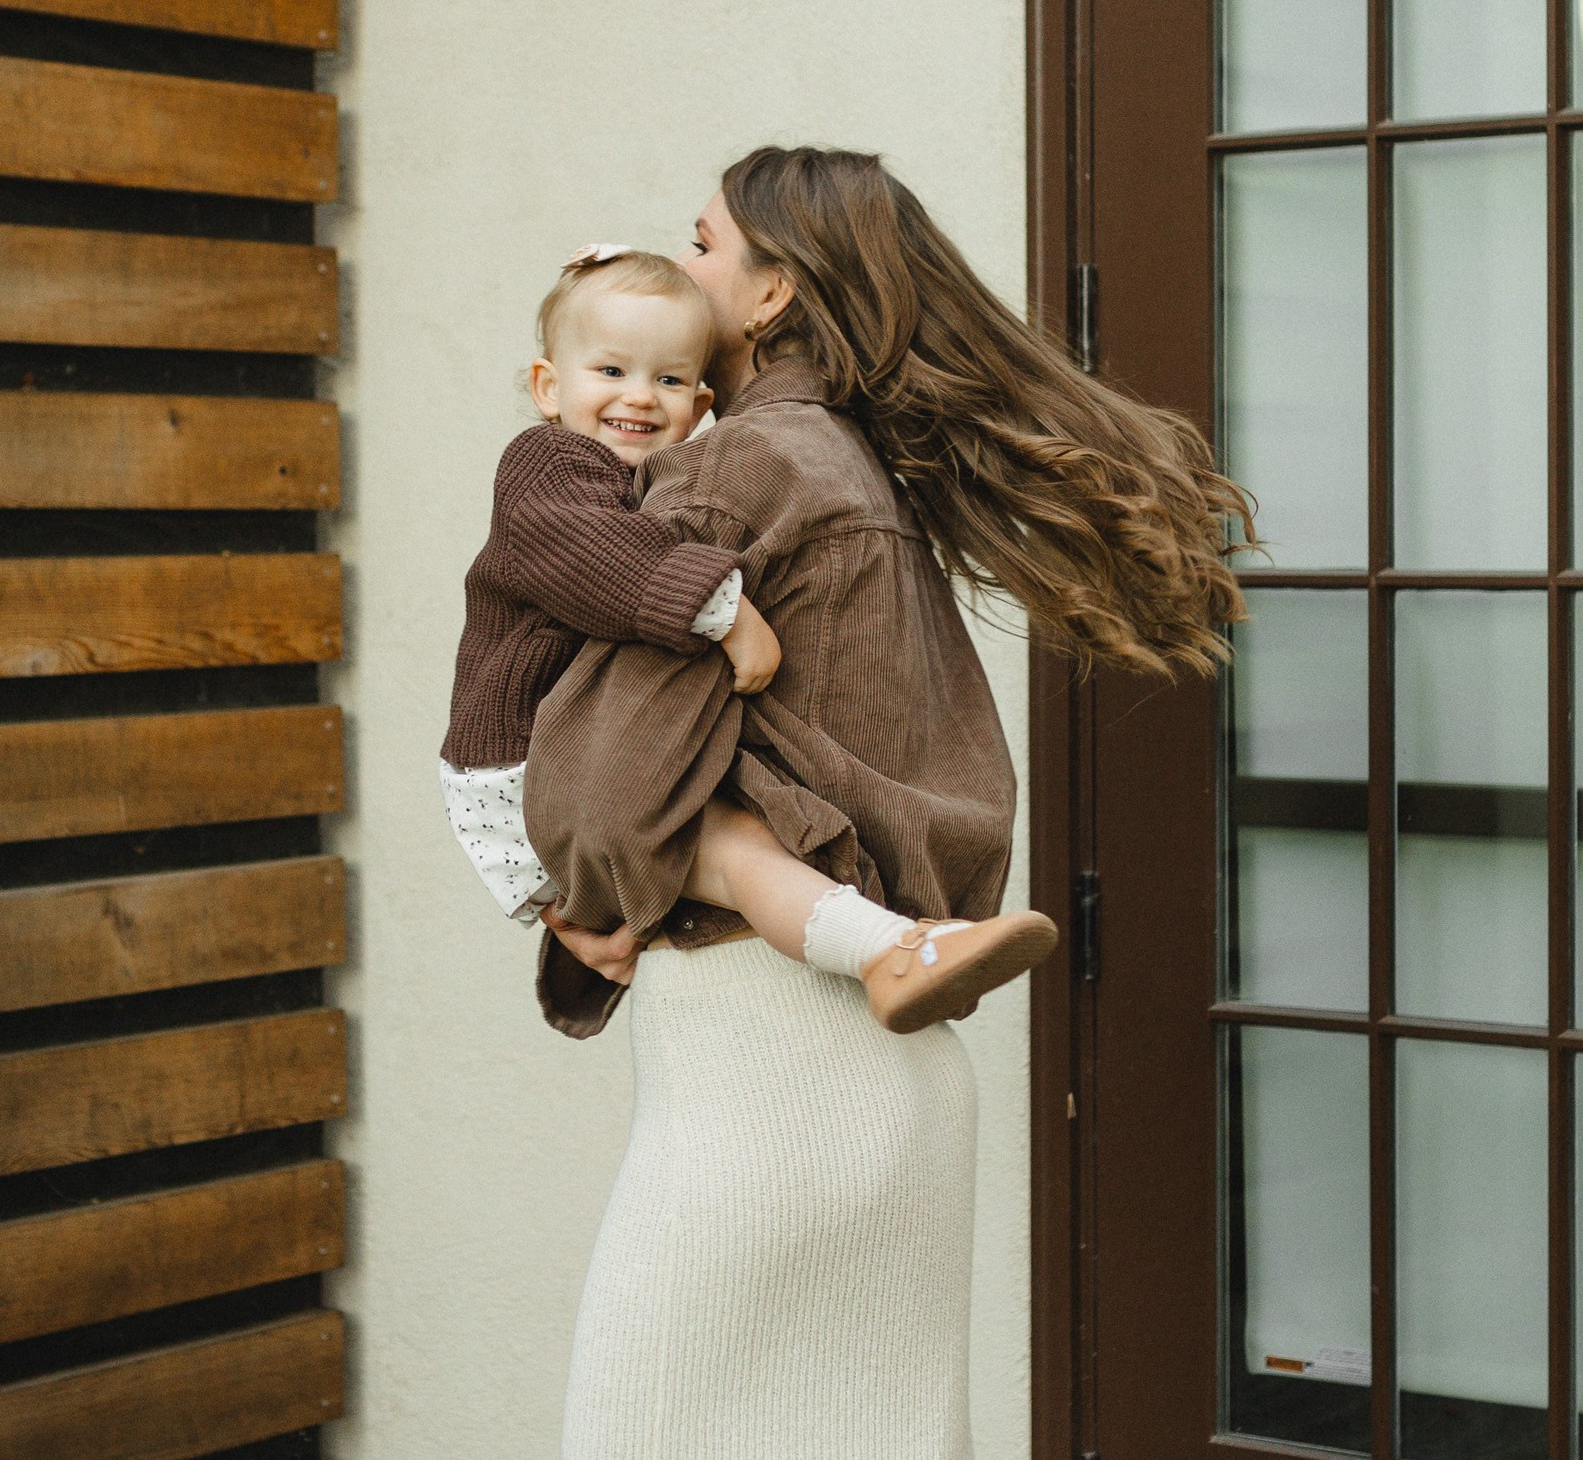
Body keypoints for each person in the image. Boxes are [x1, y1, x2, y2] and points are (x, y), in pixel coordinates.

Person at [526, 147, 1252, 1457]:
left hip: (766, 1089)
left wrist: (584, 883)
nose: (675, 261)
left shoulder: (737, 472)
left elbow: (596, 786)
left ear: (769, 297)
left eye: (700, 243)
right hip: (896, 1082)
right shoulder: (852, 465)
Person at [440, 244, 1056, 1038]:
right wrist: (722, 610)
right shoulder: (547, 463)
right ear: (547, 388)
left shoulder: (666, 469)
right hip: (511, 760)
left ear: (701, 404)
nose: (639, 396)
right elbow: (590, 552)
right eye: (611, 372)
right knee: (730, 843)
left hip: (546, 767)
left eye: (667, 379)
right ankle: (888, 949)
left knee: (697, 857)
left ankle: (612, 955)